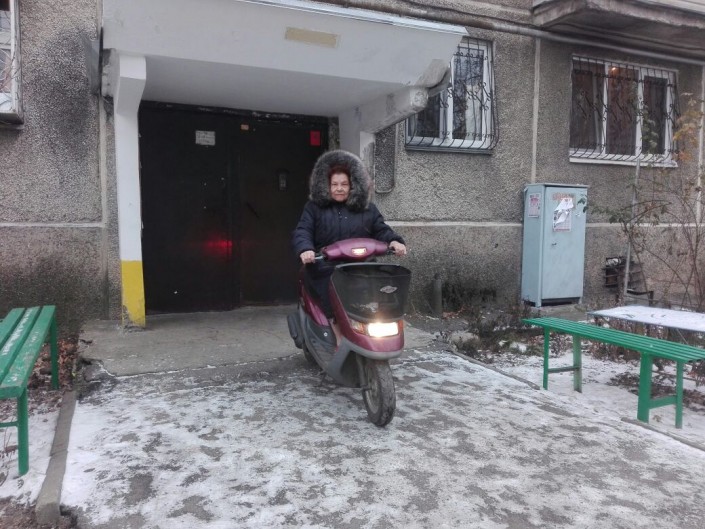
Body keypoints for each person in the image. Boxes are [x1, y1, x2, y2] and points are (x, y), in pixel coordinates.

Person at [292, 150, 407, 344]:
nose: (339, 188)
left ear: (353, 185)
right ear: (326, 186)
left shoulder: (367, 209)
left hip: (361, 265)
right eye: (334, 184)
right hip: (326, 266)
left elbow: (381, 229)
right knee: (329, 289)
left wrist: (394, 241)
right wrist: (306, 249)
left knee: (380, 289)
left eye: (344, 184)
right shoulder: (314, 208)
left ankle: (373, 329)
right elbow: (303, 230)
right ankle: (338, 335)